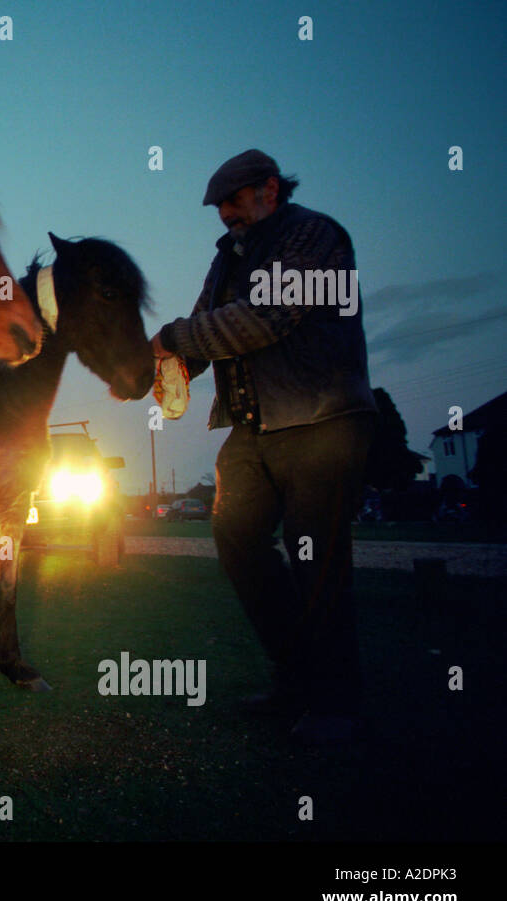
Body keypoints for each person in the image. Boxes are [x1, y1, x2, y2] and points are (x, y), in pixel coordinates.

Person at [151, 150, 377, 746]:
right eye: (218, 206)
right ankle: (296, 677)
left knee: (317, 561)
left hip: (323, 419)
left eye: (232, 200)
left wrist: (172, 337)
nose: (223, 214)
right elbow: (205, 329)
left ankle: (336, 702)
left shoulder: (315, 236)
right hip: (253, 426)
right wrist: (150, 368)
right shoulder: (228, 257)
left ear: (268, 190)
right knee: (236, 539)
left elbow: (265, 318)